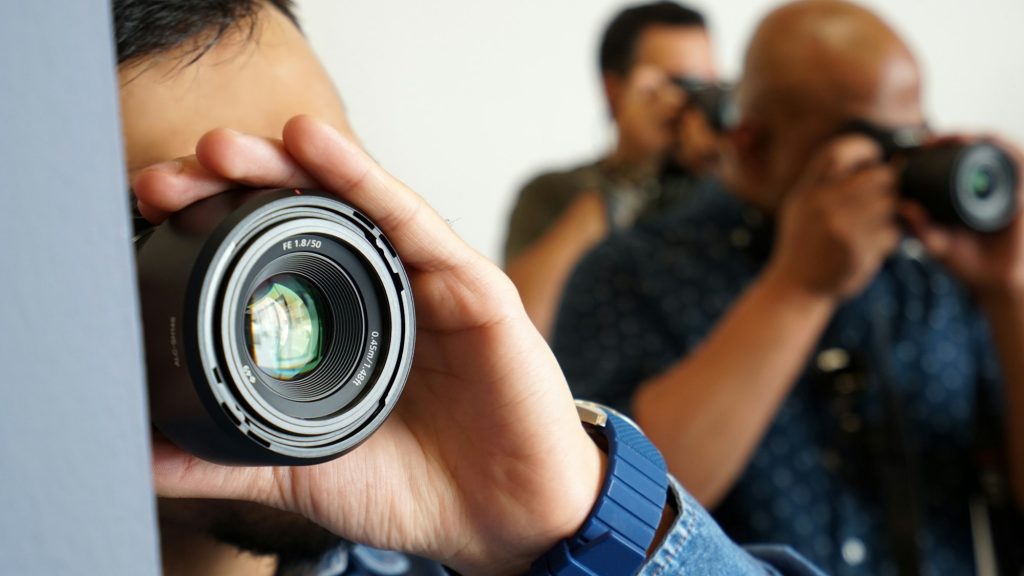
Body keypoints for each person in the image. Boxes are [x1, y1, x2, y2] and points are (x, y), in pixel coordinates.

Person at [117, 1, 822, 575]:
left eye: (321, 188)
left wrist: (572, 520)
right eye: (197, 220)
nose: (290, 263)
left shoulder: (453, 536)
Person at [553, 1, 1024, 574]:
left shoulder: (935, 279)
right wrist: (799, 287)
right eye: (873, 144)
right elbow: (620, 514)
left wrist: (1010, 290)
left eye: (915, 141)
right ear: (749, 144)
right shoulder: (628, 274)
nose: (893, 171)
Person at [503, 1, 720, 338]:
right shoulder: (554, 192)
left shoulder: (732, 189)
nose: (692, 102)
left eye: (708, 87)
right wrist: (631, 172)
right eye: (679, 83)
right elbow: (518, 331)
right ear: (615, 89)